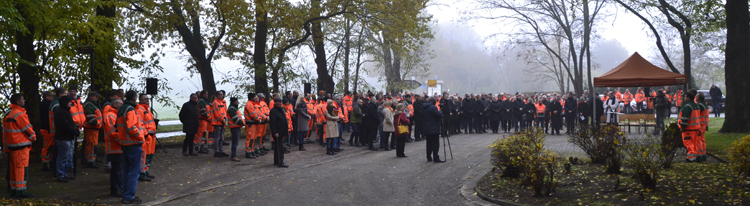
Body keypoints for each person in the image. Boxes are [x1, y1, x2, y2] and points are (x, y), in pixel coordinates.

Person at [3, 94, 36, 198]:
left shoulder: (10, 113)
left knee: (14, 168)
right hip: (21, 145)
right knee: (21, 168)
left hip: (13, 145)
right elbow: (27, 129)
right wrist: (33, 137)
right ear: (18, 101)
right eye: (22, 99)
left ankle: (14, 189)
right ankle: (21, 191)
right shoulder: (19, 114)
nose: (24, 101)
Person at [117, 90, 146, 204]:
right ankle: (129, 196)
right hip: (133, 144)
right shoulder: (130, 110)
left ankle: (125, 194)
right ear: (134, 99)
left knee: (126, 170)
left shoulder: (121, 109)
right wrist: (140, 138)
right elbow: (131, 127)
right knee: (134, 172)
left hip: (124, 143)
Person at [54, 95, 79, 183]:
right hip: (63, 137)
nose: (70, 104)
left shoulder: (64, 111)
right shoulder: (61, 112)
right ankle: (61, 174)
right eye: (69, 102)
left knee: (66, 156)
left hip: (66, 137)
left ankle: (63, 173)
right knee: (63, 156)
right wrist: (74, 131)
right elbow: (65, 125)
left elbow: (69, 124)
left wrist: (74, 130)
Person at [104, 98, 123, 197]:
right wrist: (123, 141)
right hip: (114, 147)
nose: (122, 105)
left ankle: (118, 188)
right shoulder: (111, 116)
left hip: (118, 147)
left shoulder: (116, 115)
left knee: (118, 170)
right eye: (120, 104)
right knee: (116, 170)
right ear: (115, 105)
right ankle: (115, 190)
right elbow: (112, 133)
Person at [135, 94, 156, 181]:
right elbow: (140, 124)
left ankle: (146, 172)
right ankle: (141, 174)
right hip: (146, 137)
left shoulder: (146, 109)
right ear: (140, 100)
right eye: (145, 99)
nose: (147, 100)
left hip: (151, 136)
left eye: (148, 98)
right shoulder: (140, 109)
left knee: (149, 156)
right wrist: (146, 134)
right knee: (144, 156)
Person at [678, 91, 700, 163]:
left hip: (689, 129)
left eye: (685, 96)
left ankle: (690, 158)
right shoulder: (696, 105)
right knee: (694, 144)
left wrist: (682, 127)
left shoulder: (687, 106)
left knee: (688, 143)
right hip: (695, 128)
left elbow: (685, 119)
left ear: (688, 97)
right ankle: (694, 157)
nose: (684, 98)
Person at [422, 97, 444, 163]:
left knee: (428, 143)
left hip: (426, 127)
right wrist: (440, 110)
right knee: (435, 143)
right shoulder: (433, 108)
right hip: (434, 127)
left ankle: (428, 157)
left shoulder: (424, 107)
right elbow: (438, 115)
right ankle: (436, 157)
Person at [244, 93, 266, 158]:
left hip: (254, 124)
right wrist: (258, 119)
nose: (256, 98)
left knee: (254, 138)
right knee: (250, 138)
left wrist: (258, 119)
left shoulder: (252, 104)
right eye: (254, 97)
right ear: (251, 98)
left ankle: (252, 151)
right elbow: (253, 114)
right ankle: (248, 152)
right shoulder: (249, 104)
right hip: (250, 124)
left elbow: (256, 113)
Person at [269, 98, 289, 167]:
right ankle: (280, 161)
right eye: (278, 102)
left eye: (280, 102)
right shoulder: (273, 111)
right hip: (277, 132)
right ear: (275, 103)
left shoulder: (281, 110)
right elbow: (272, 123)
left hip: (282, 131)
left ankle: (277, 161)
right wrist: (275, 132)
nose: (280, 103)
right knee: (279, 147)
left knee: (279, 147)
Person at [39, 91, 55, 171]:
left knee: (49, 146)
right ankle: (45, 163)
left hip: (47, 129)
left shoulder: (44, 104)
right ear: (47, 96)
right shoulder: (46, 105)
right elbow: (46, 119)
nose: (52, 98)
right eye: (51, 96)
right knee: (47, 146)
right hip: (47, 129)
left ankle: (48, 162)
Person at [211, 91, 229, 157]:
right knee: (217, 137)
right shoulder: (215, 103)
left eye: (222, 94)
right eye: (220, 94)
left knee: (221, 137)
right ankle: (216, 151)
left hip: (222, 121)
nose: (222, 95)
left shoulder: (222, 102)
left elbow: (225, 111)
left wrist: (225, 118)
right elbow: (216, 113)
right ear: (217, 95)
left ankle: (221, 150)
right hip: (217, 122)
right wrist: (222, 119)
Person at [227, 97, 245, 161]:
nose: (238, 102)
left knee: (236, 142)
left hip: (236, 127)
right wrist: (243, 123)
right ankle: (233, 155)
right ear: (234, 102)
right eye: (237, 101)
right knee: (235, 142)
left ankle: (234, 154)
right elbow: (236, 119)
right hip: (235, 127)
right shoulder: (232, 109)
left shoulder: (234, 108)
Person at [695, 92, 709, 162]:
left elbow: (696, 114)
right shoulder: (705, 104)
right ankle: (703, 155)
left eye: (696, 97)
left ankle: (699, 156)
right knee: (702, 140)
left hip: (700, 124)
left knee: (698, 140)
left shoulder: (700, 105)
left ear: (699, 98)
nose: (696, 98)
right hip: (704, 124)